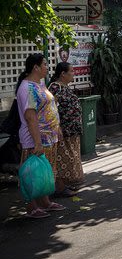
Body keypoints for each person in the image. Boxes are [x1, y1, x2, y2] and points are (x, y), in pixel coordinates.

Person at [16, 54, 66, 218]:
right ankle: (31, 207)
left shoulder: (40, 83)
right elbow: (30, 117)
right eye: (44, 64)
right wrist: (37, 142)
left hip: (48, 137)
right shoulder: (27, 88)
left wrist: (56, 127)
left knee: (42, 172)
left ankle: (45, 202)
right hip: (34, 139)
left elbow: (48, 107)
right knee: (31, 174)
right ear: (35, 67)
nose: (47, 66)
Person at [48, 62, 84, 195]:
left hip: (72, 130)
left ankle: (67, 185)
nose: (73, 74)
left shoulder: (65, 87)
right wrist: (57, 127)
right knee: (62, 159)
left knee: (70, 158)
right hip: (63, 131)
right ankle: (60, 188)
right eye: (71, 71)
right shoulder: (55, 88)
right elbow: (51, 110)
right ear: (63, 74)